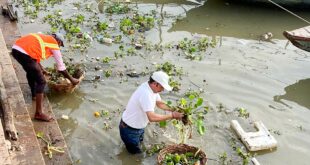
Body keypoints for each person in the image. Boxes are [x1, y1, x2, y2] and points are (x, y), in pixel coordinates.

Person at [11, 33, 79, 122]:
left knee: (31, 71)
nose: (59, 47)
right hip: (24, 53)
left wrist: (42, 69)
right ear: (58, 41)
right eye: (60, 45)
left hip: (16, 49)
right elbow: (61, 68)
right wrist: (72, 80)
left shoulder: (43, 38)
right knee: (42, 82)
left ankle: (34, 95)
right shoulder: (54, 44)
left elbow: (34, 57)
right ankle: (39, 113)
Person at [119, 71, 184, 154]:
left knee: (139, 146)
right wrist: (172, 115)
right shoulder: (146, 93)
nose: (163, 89)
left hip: (138, 128)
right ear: (155, 84)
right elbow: (152, 117)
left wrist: (173, 109)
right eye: (162, 87)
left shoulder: (151, 88)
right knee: (136, 156)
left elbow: (159, 103)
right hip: (130, 130)